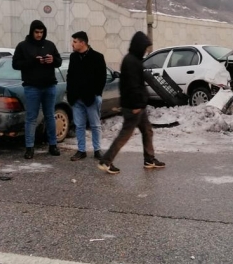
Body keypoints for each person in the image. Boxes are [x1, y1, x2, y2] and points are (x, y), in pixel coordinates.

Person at [97, 31, 165, 174]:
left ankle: (149, 159)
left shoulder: (134, 59)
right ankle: (106, 161)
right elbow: (132, 85)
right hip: (134, 106)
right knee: (125, 135)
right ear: (139, 46)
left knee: (147, 130)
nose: (147, 50)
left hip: (138, 105)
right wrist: (135, 105)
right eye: (146, 47)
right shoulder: (131, 61)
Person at [12, 20, 62, 159]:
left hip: (49, 85)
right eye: (36, 32)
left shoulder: (50, 45)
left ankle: (53, 145)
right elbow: (15, 64)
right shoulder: (23, 46)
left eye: (41, 32)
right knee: (31, 118)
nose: (39, 35)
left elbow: (59, 61)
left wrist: (53, 60)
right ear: (31, 31)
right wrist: (34, 61)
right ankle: (29, 148)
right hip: (32, 87)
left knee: (50, 116)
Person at [66, 31, 107, 161]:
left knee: (95, 125)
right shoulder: (73, 57)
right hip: (76, 98)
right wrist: (70, 94)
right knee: (79, 125)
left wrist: (97, 95)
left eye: (74, 41)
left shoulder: (97, 57)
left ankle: (97, 150)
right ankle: (81, 150)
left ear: (82, 43)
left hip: (91, 98)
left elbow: (102, 78)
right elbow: (70, 76)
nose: (72, 44)